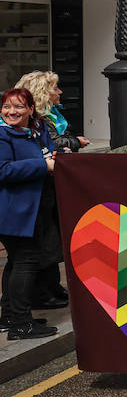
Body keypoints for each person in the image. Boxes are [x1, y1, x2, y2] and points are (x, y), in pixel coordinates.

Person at [0, 88, 61, 339]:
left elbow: (47, 154)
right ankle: (21, 324)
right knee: (26, 262)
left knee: (16, 263)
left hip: (33, 211)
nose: (11, 112)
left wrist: (56, 156)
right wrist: (42, 165)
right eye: (6, 107)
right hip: (15, 213)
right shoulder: (3, 135)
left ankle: (9, 316)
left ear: (30, 109)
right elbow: (3, 170)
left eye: (18, 107)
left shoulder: (33, 131)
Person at [15, 70, 88, 153]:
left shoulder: (52, 113)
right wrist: (77, 142)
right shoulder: (37, 117)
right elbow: (51, 142)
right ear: (42, 93)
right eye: (55, 89)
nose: (60, 92)